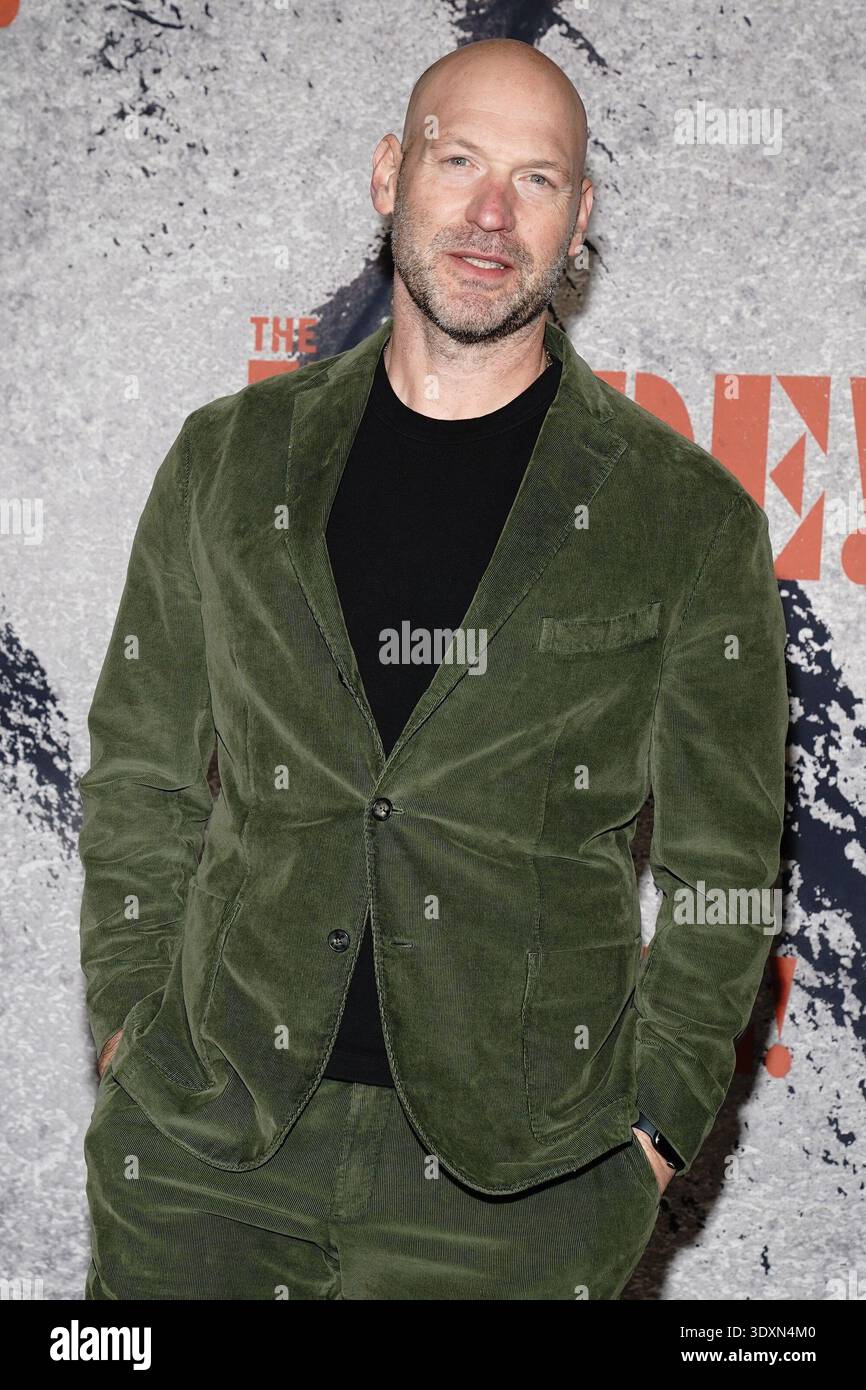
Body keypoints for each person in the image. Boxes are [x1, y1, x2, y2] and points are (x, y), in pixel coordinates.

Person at [79, 37, 789, 1300]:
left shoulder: (682, 518)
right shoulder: (228, 459)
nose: (486, 213)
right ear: (388, 172)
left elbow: (725, 869)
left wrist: (655, 1122)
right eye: (457, 160)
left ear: (581, 220)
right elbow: (141, 766)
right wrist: (134, 1021)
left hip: (519, 1192)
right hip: (207, 1148)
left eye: (535, 179)